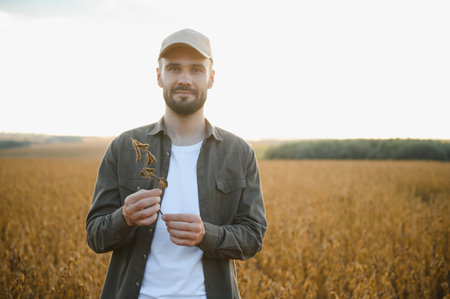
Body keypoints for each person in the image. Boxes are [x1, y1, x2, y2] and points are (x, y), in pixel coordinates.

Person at [86, 28, 267, 299]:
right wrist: (124, 218)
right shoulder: (124, 147)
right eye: (174, 69)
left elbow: (253, 237)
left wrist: (207, 234)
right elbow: (95, 236)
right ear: (159, 76)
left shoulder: (239, 152)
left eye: (196, 69)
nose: (184, 79)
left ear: (211, 78)